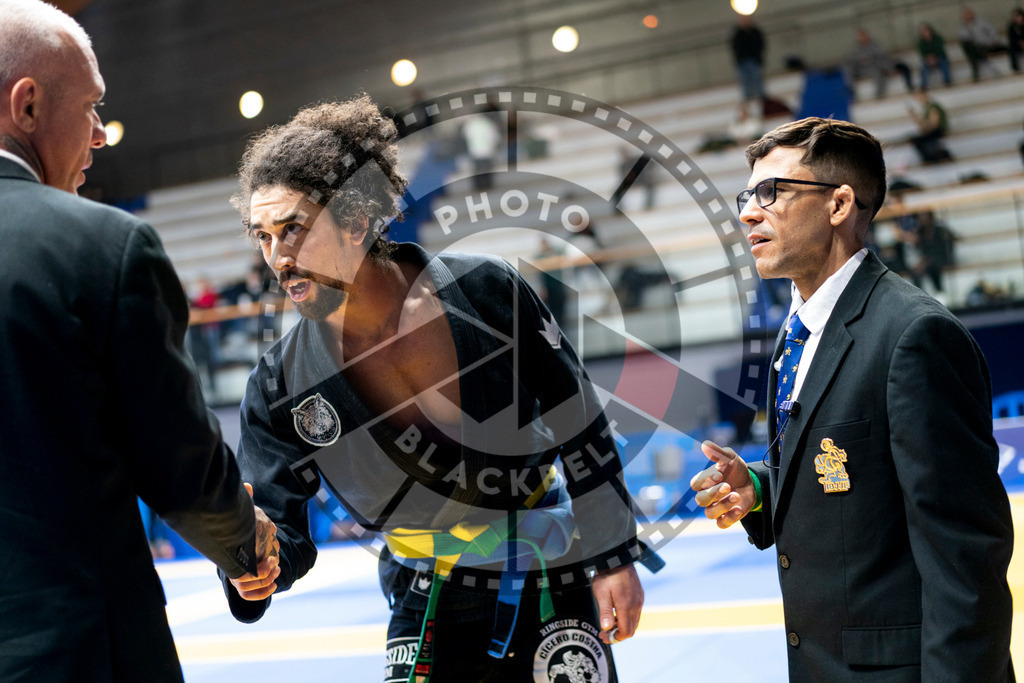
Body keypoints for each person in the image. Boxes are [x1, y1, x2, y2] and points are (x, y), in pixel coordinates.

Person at [219, 96, 653, 683]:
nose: (279, 259)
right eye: (264, 238)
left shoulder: (486, 290)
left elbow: (579, 422)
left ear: (355, 222)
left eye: (294, 229)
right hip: (424, 594)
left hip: (549, 572)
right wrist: (256, 564)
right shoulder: (280, 383)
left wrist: (613, 555)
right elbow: (279, 526)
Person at [0, 1, 278, 681]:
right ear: (27, 105)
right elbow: (179, 466)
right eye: (90, 106)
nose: (100, 134)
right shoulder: (102, 246)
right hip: (77, 653)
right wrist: (247, 547)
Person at [690, 117, 1014, 681]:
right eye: (748, 196)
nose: (748, 214)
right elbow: (857, 474)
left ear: (839, 204)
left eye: (772, 192)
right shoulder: (798, 334)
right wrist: (761, 489)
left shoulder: (915, 335)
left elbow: (965, 559)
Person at [843, 27, 912, 99]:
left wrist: (890, 69)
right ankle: (851, 92)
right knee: (847, 68)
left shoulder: (875, 45)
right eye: (860, 37)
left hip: (874, 67)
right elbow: (850, 59)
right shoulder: (856, 48)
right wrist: (860, 59)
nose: (862, 38)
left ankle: (879, 95)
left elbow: (883, 57)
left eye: (864, 36)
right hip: (861, 68)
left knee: (877, 73)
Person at [958, 7, 1004, 81]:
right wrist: (968, 27)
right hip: (976, 47)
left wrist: (994, 40)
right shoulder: (963, 27)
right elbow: (964, 38)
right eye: (965, 15)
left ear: (972, 14)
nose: (967, 16)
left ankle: (976, 72)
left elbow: (992, 31)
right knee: (968, 46)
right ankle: (992, 70)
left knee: (975, 52)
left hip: (988, 44)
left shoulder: (981, 22)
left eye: (968, 14)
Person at [907, 89, 950, 163]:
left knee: (917, 140)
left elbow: (933, 125)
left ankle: (929, 159)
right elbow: (925, 126)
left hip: (938, 130)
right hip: (934, 131)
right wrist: (915, 117)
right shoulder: (926, 108)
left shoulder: (933, 106)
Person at [730, 15, 766, 104]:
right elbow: (735, 47)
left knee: (756, 78)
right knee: (745, 80)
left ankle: (760, 96)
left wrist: (757, 56)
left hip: (753, 59)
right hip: (742, 61)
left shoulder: (755, 32)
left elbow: (760, 44)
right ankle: (748, 97)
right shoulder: (738, 34)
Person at [916, 22, 952, 89]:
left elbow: (940, 49)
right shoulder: (921, 42)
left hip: (939, 57)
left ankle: (947, 81)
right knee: (923, 66)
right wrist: (929, 58)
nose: (925, 33)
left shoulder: (937, 38)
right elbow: (922, 53)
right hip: (928, 60)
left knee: (944, 62)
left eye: (926, 30)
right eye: (923, 31)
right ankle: (923, 85)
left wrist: (934, 57)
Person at [1009, 8, 1024, 73]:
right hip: (1017, 45)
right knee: (1011, 49)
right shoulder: (1012, 26)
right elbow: (1012, 38)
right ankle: (1016, 69)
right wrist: (1020, 43)